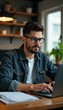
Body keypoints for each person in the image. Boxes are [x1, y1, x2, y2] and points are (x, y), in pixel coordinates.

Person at [0, 21, 57, 92]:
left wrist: (56, 82)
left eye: (40, 39)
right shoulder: (10, 57)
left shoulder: (43, 57)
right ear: (23, 39)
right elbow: (4, 82)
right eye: (34, 39)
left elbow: (57, 74)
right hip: (16, 100)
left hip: (39, 99)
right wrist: (32, 87)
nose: (38, 44)